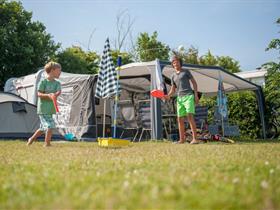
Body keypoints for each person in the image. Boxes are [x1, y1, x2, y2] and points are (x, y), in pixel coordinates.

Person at [163, 55, 200, 144]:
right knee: (179, 119)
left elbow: (194, 83)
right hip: (179, 98)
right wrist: (168, 96)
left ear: (180, 63)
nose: (175, 63)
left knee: (190, 116)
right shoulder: (172, 76)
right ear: (172, 64)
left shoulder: (186, 72)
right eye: (174, 62)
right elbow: (173, 90)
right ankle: (182, 139)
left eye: (177, 62)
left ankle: (195, 139)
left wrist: (196, 95)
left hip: (188, 96)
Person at [27, 61, 62, 147]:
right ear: (52, 70)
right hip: (43, 109)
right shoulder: (43, 82)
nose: (60, 72)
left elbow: (58, 92)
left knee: (43, 128)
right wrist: (48, 95)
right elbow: (39, 94)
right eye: (59, 70)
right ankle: (47, 143)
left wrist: (55, 94)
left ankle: (31, 139)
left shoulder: (57, 83)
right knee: (50, 125)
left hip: (50, 109)